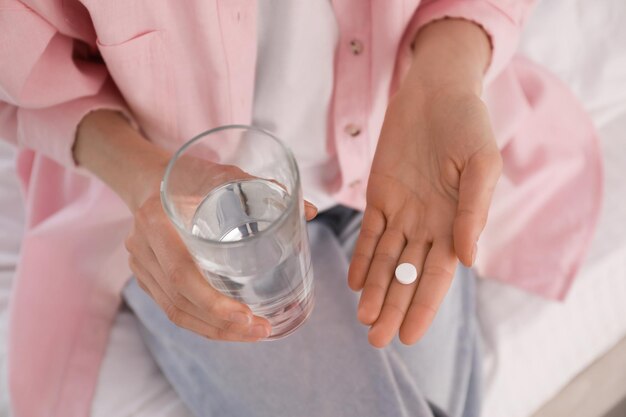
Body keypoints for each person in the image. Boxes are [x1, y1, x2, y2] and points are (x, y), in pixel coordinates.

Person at [0, 1, 602, 416]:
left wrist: (447, 78)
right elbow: (21, 77)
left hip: (405, 155)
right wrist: (146, 180)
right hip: (191, 215)